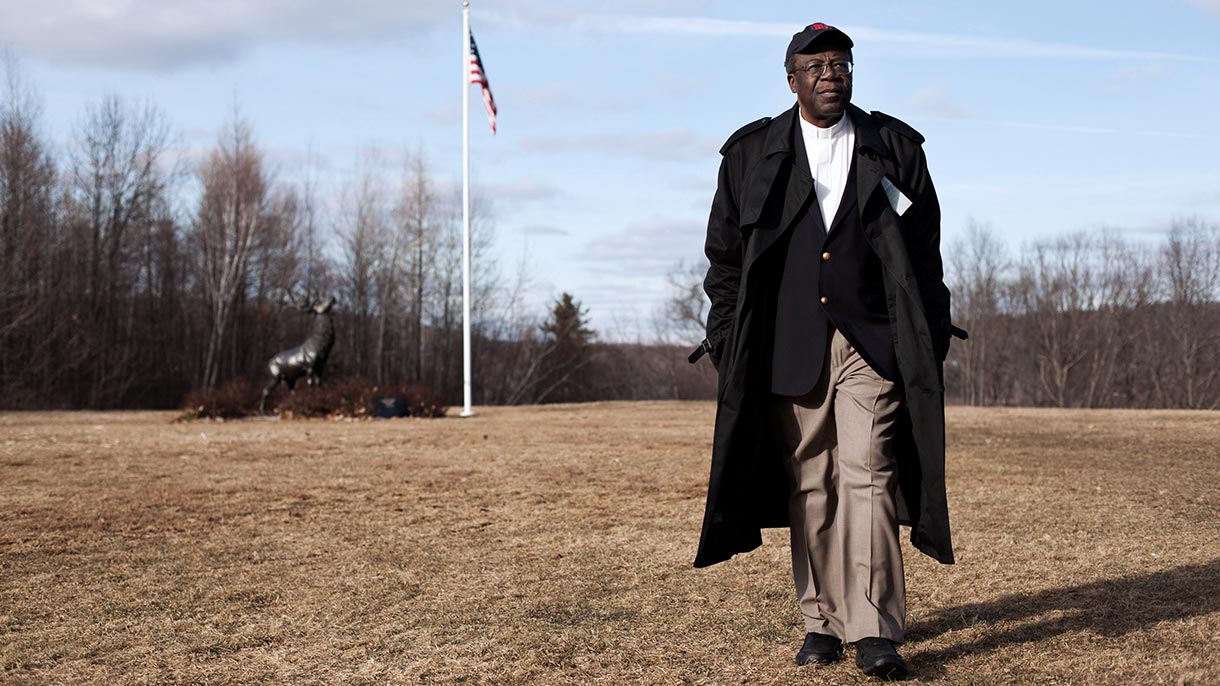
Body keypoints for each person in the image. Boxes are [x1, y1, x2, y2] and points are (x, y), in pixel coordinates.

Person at [688, 22, 966, 680]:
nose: (830, 74)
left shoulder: (894, 148)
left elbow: (925, 258)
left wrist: (927, 335)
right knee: (811, 483)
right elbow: (724, 263)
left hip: (872, 343)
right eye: (815, 66)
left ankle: (873, 628)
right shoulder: (751, 154)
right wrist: (730, 343)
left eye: (840, 64)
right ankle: (820, 622)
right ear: (792, 80)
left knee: (868, 476)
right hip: (789, 348)